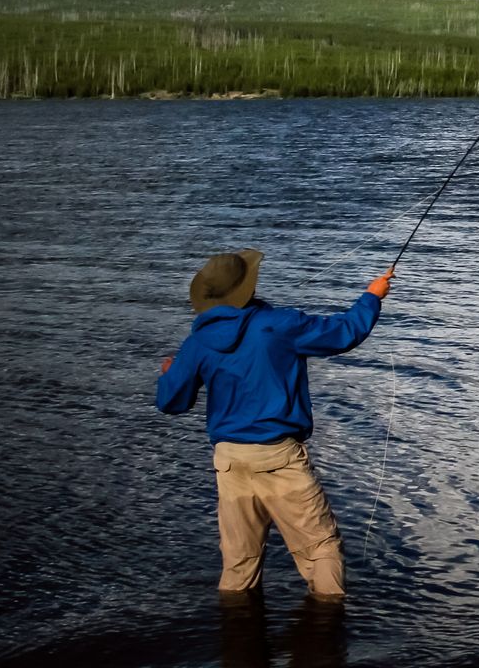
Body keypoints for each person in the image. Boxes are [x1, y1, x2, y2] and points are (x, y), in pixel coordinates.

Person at [157, 247, 393, 600]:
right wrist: (372, 297)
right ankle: (326, 635)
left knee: (239, 564)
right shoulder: (279, 325)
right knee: (321, 550)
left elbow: (171, 402)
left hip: (229, 463)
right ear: (248, 288)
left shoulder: (197, 342)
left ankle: (236, 641)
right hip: (279, 458)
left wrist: (169, 374)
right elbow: (344, 334)